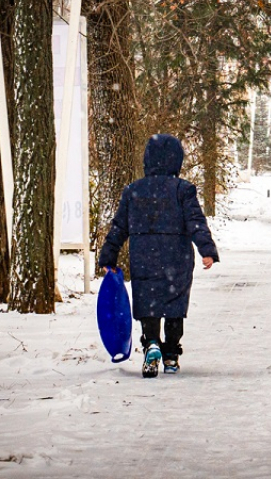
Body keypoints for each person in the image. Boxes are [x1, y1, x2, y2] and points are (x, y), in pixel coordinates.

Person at [98, 134, 219, 377]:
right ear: (177, 160)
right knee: (174, 305)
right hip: (177, 258)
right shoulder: (183, 190)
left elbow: (119, 227)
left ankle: (151, 343)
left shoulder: (133, 191)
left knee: (148, 304)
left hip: (144, 258)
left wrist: (108, 257)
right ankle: (171, 355)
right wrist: (207, 250)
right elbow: (196, 222)